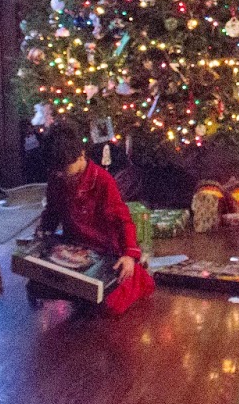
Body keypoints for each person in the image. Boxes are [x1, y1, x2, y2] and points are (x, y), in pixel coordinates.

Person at [37, 125, 156, 315]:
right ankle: (79, 293)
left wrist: (129, 255)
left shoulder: (102, 181)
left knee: (109, 304)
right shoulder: (57, 178)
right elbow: (52, 210)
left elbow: (123, 220)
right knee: (38, 286)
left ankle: (138, 278)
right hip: (73, 247)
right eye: (56, 171)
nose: (61, 175)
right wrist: (43, 232)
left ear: (81, 154)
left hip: (104, 251)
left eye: (65, 169)